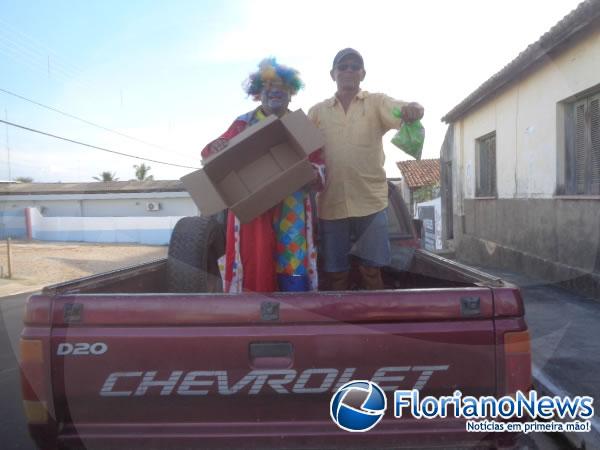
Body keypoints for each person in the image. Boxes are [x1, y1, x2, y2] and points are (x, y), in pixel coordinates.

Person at [201, 58, 325, 293]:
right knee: (255, 262)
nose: (275, 90)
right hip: (253, 212)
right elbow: (212, 156)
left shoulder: (301, 125)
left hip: (293, 210)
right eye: (268, 86)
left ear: (291, 92)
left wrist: (313, 175)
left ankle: (295, 311)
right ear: (259, 92)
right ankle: (254, 318)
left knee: (294, 266)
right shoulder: (243, 124)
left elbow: (320, 166)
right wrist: (218, 146)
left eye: (281, 86)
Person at [308, 48, 424, 291]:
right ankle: (341, 327)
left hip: (371, 204)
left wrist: (413, 108)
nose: (348, 70)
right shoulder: (317, 112)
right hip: (331, 205)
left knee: (372, 273)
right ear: (333, 74)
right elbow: (301, 151)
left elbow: (400, 109)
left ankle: (376, 324)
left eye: (354, 66)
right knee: (335, 276)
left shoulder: (377, 102)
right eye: (343, 67)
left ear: (363, 74)